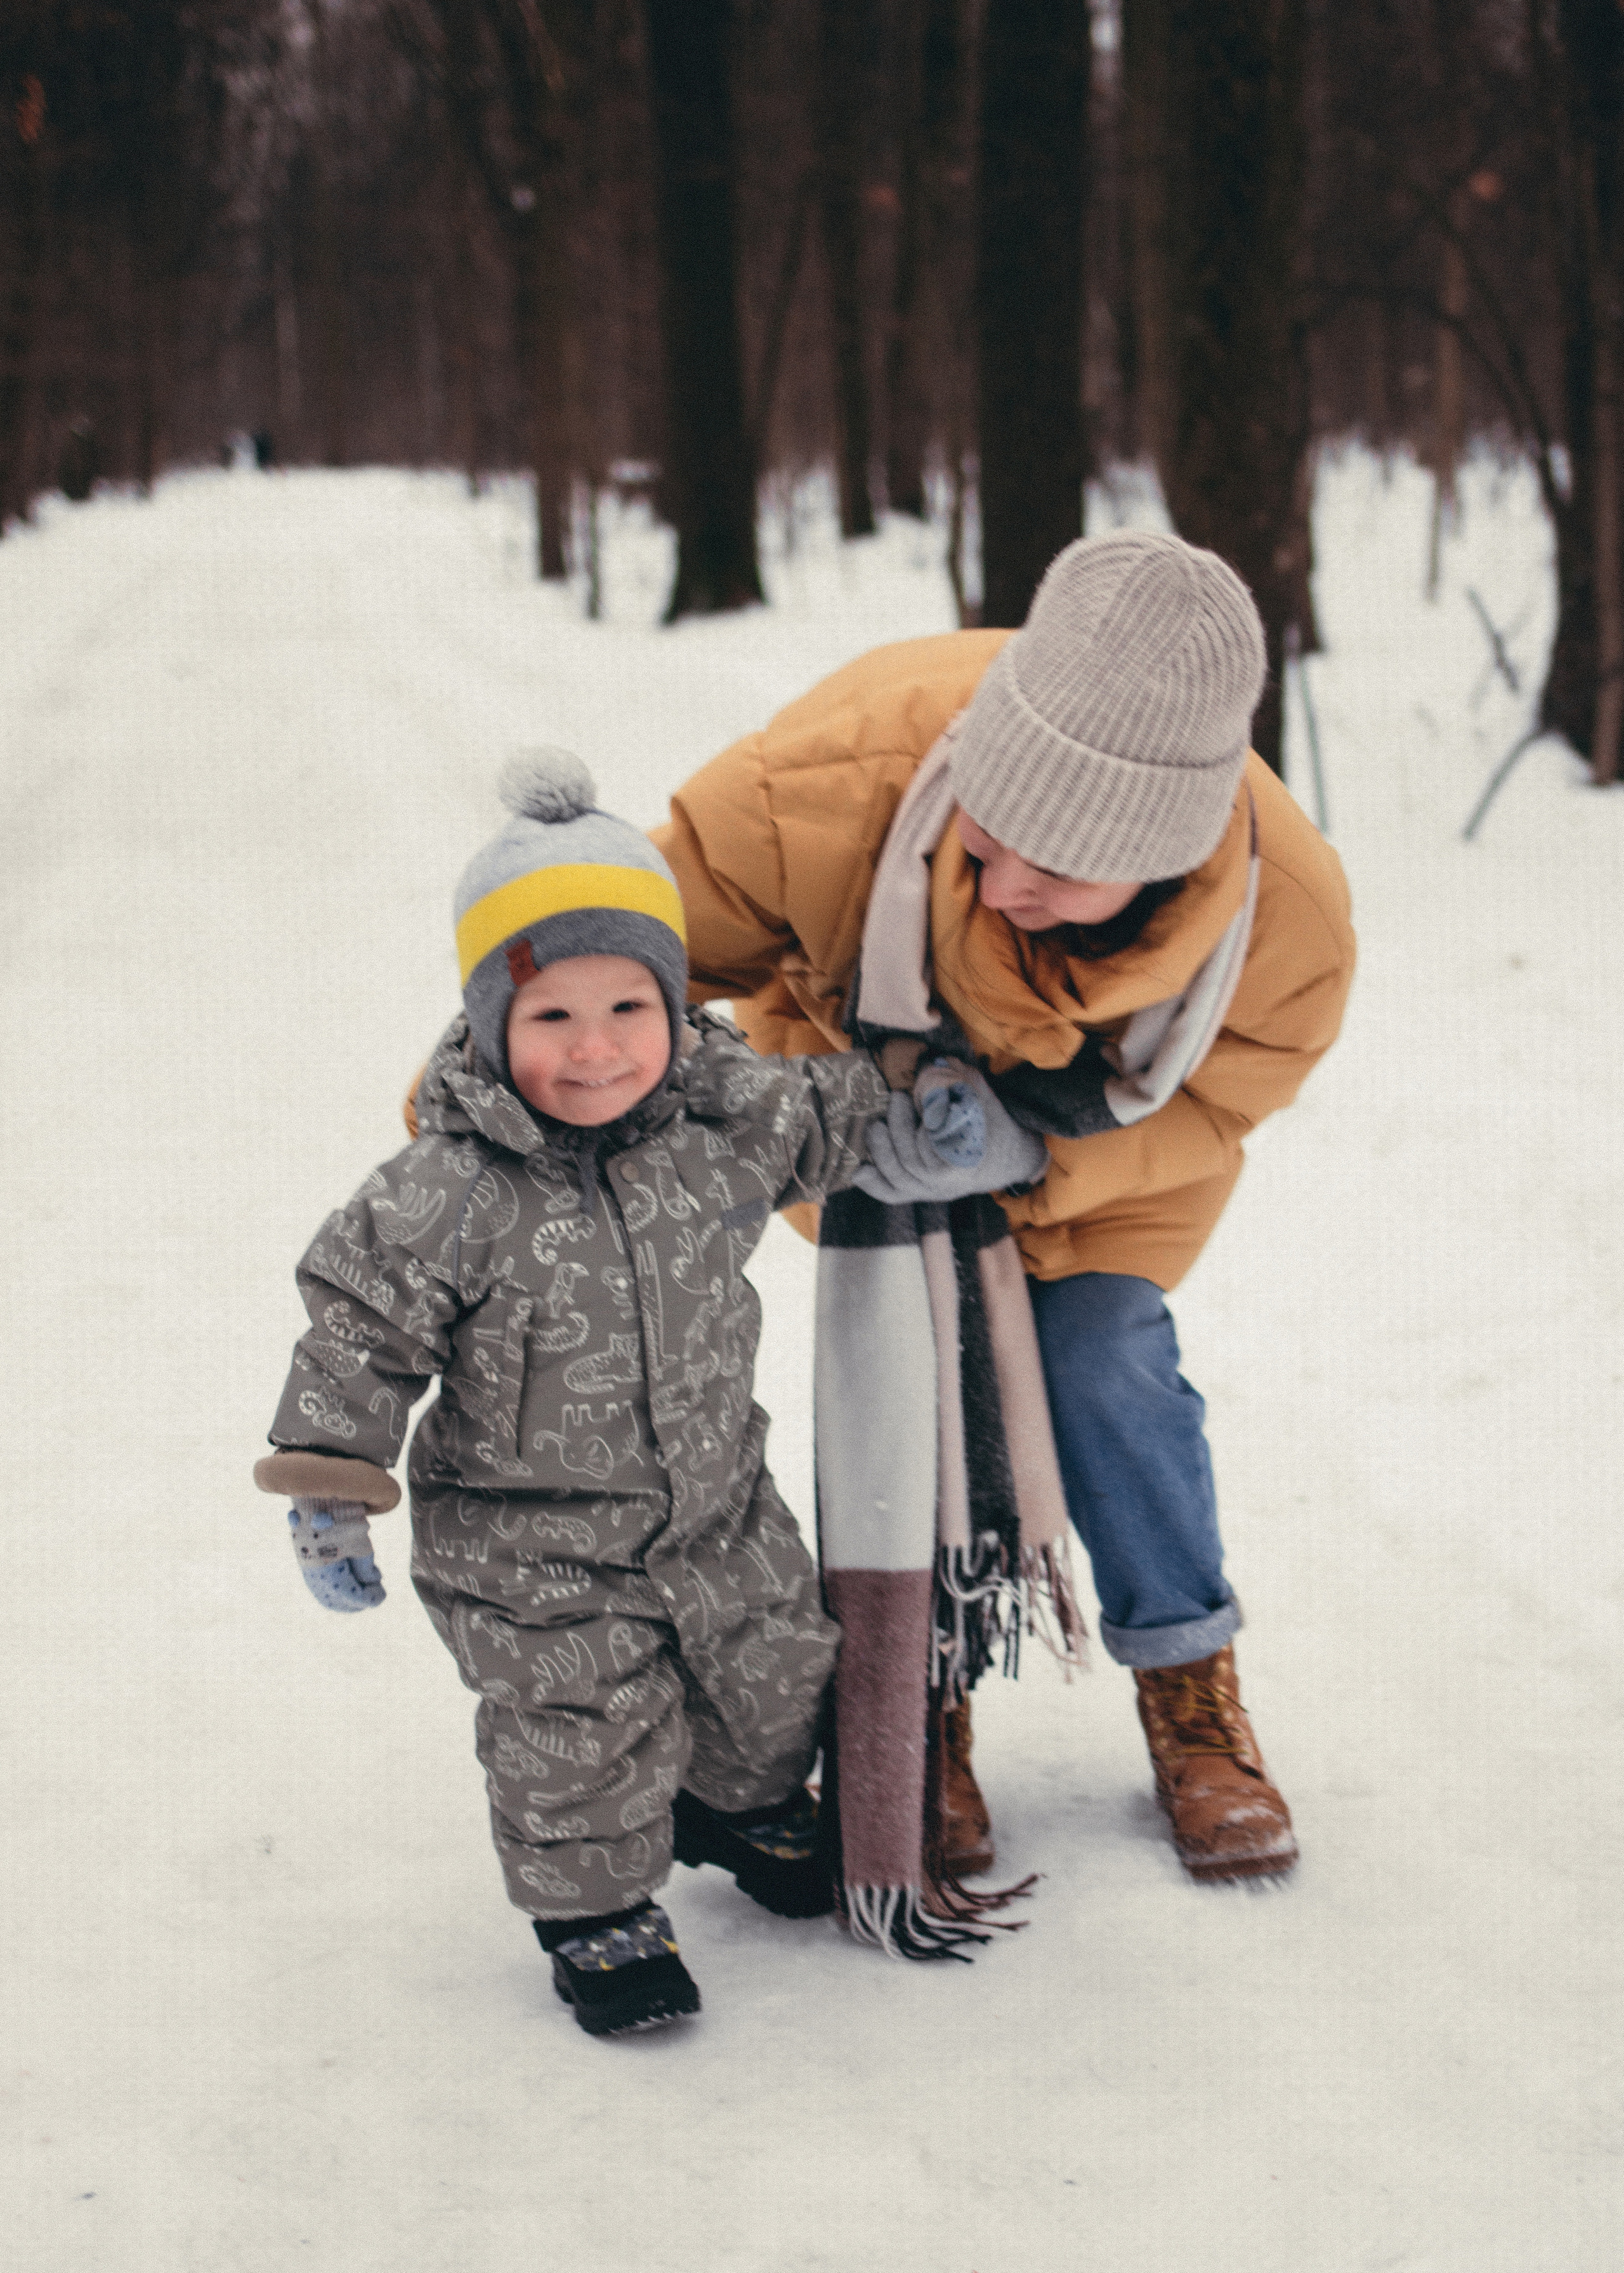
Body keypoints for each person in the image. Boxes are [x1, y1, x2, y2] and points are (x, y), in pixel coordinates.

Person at [254, 750, 1038, 2036]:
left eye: (629, 1008)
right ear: (487, 1026)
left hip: (716, 1510)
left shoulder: (715, 1125)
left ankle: (736, 1803)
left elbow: (822, 1114)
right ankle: (598, 1910)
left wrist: (929, 1102)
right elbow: (359, 1323)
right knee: (578, 1730)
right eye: (550, 1018)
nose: (596, 1049)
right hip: (531, 1549)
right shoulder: (448, 1189)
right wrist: (331, 1492)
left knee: (779, 1675)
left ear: (675, 1005)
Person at [652, 529, 1357, 1883]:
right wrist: (479, 1136)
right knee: (911, 1387)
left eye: (1055, 864)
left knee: (1103, 1365)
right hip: (870, 1151)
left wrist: (1035, 1156)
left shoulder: (1289, 925)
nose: (1001, 872)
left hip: (1113, 1178)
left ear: (1164, 859)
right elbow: (604, 955)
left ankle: (1188, 1691)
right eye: (986, 824)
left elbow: (1222, 1104)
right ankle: (916, 1703)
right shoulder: (824, 789)